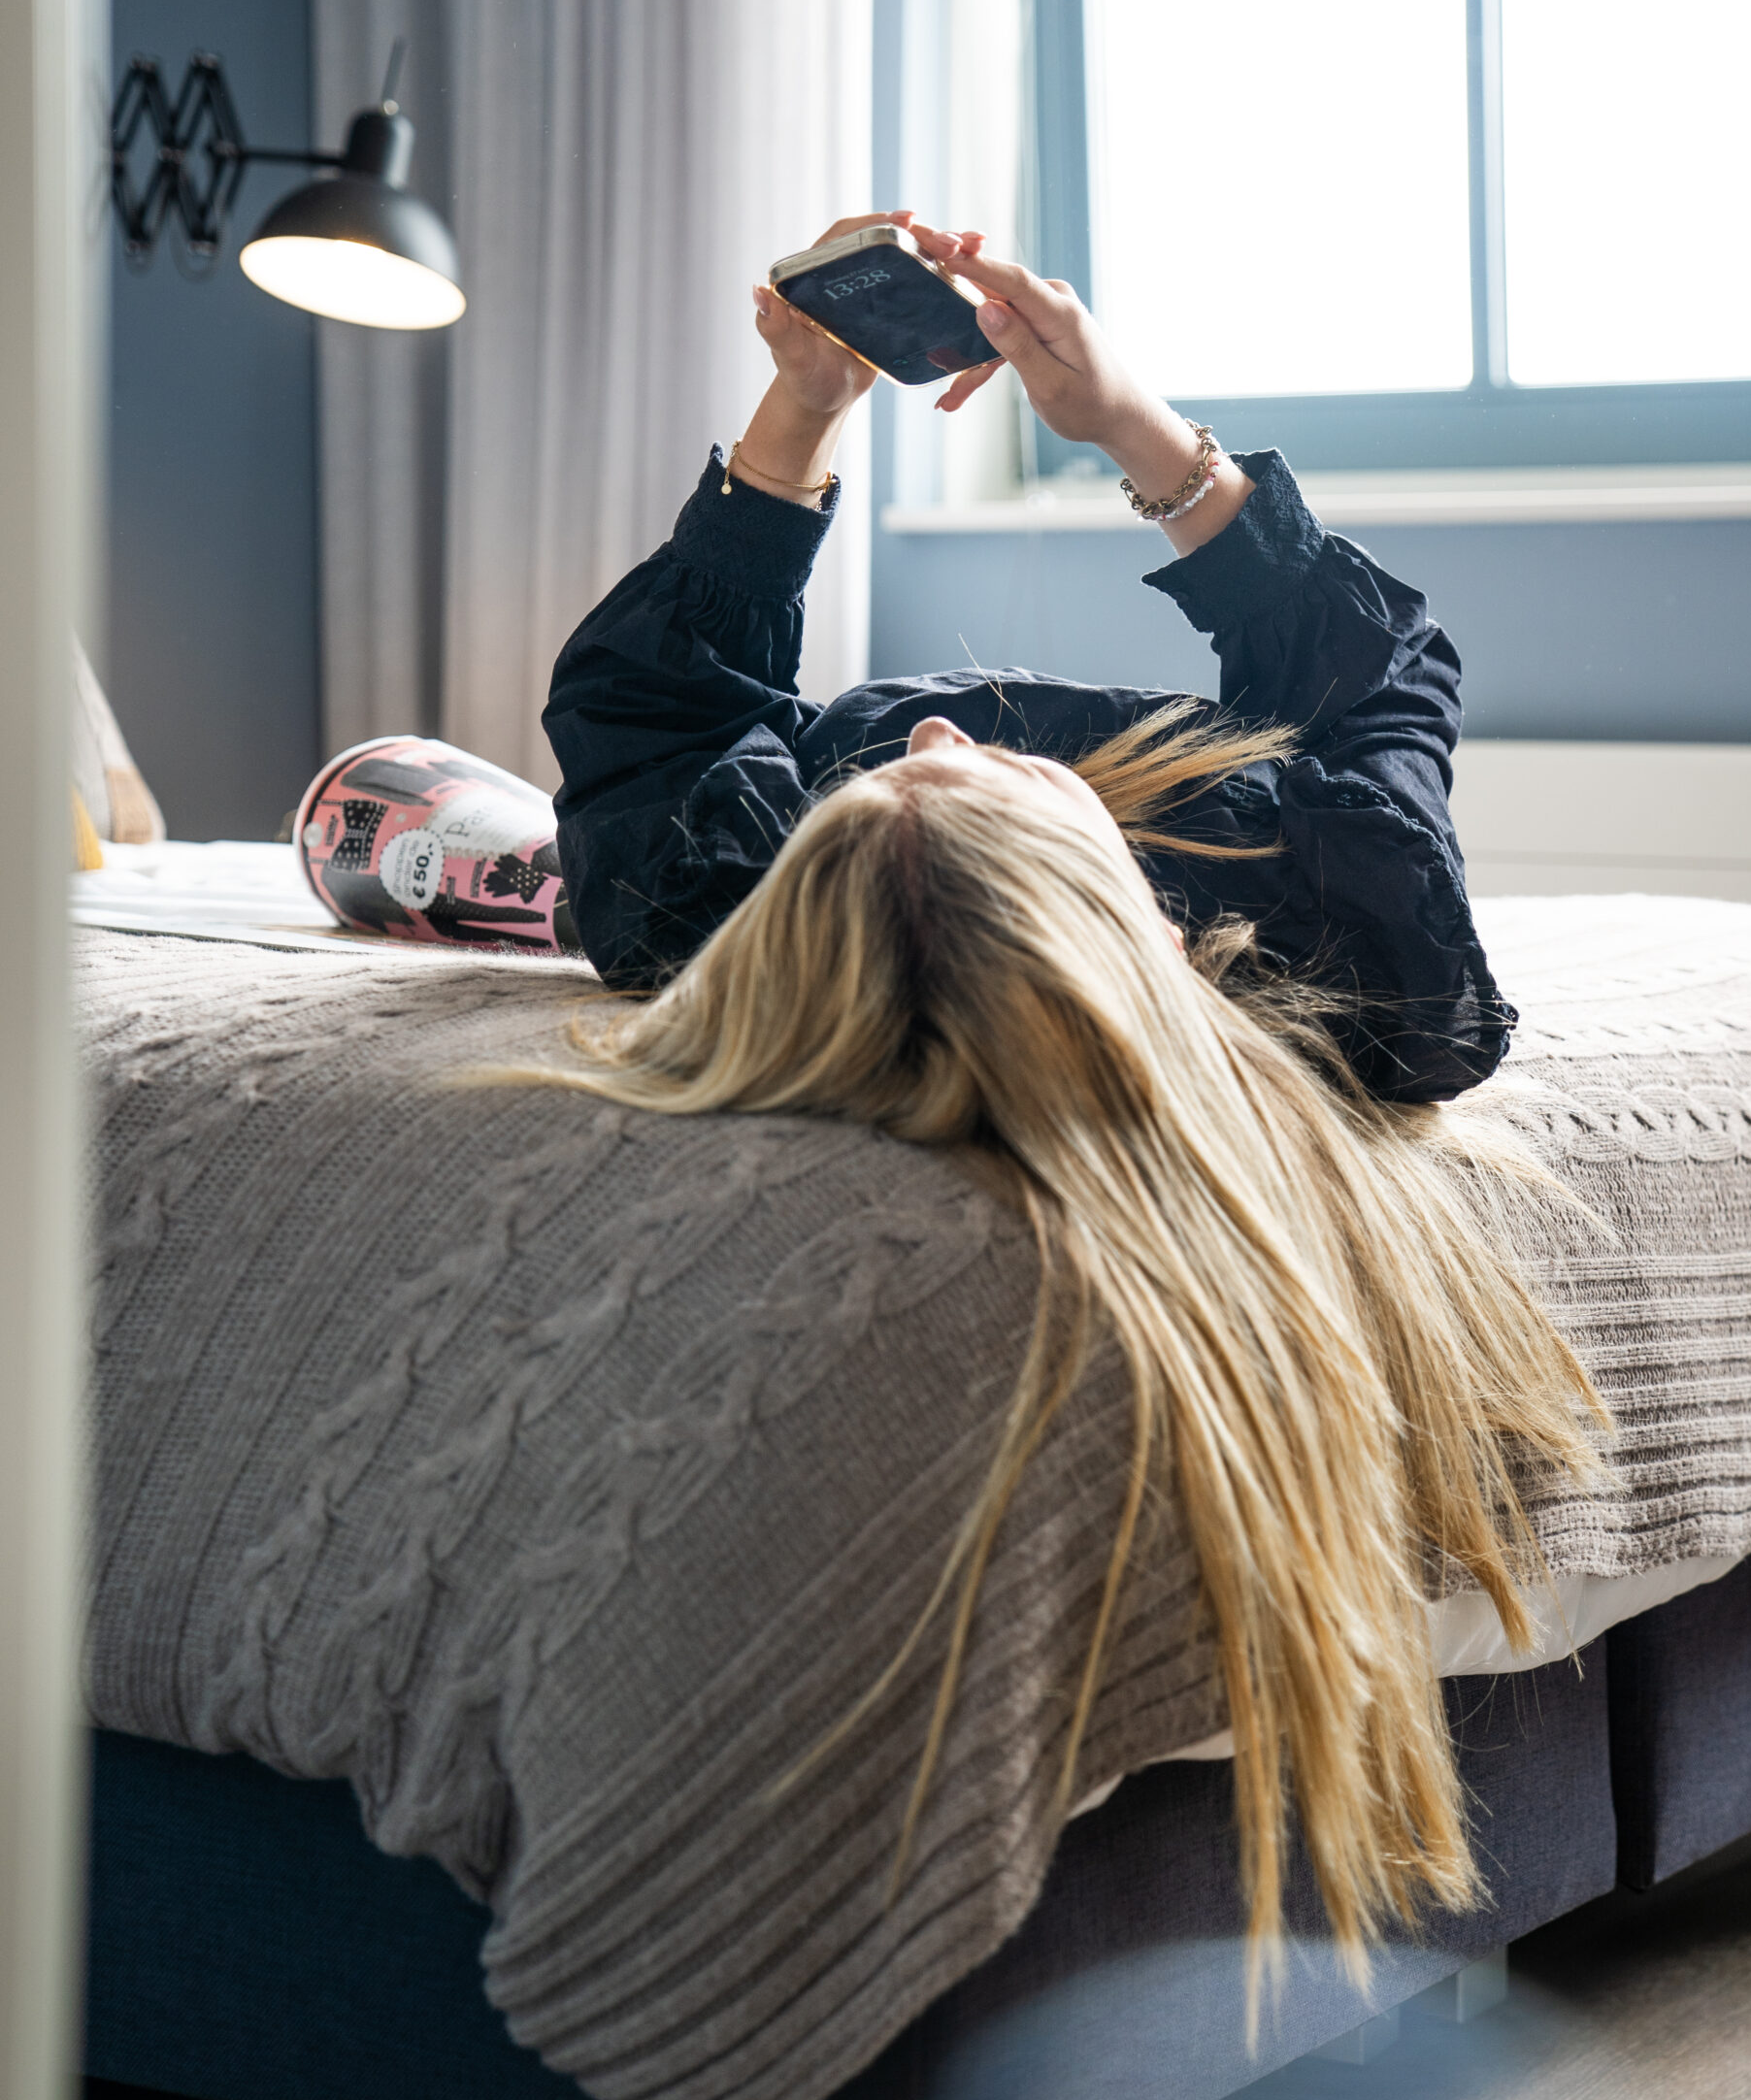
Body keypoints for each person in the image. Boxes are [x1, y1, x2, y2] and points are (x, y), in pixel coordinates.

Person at [532, 213, 1604, 1969]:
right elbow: (1381, 672)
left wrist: (801, 407)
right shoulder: (1329, 915)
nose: (935, 735)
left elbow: (654, 705)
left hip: (713, 870)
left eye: (889, 776)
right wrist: (1134, 430)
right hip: (1189, 805)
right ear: (1109, 888)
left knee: (510, 844)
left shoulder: (711, 897)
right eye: (970, 780)